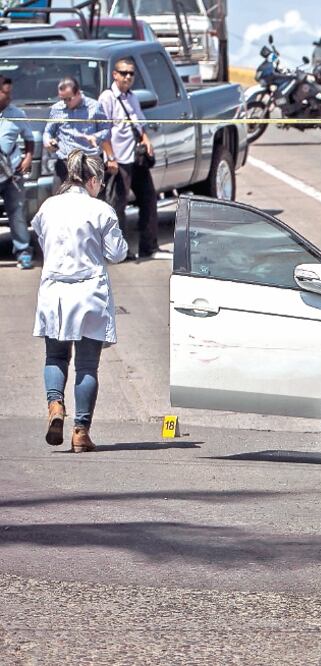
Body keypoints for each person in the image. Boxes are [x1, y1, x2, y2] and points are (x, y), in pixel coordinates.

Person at [31, 149, 128, 452]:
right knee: (87, 366)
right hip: (89, 293)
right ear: (93, 180)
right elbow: (117, 253)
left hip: (54, 291)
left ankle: (55, 405)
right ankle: (80, 432)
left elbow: (41, 239)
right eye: (100, 182)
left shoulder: (48, 207)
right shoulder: (101, 210)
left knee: (55, 357)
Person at [98, 58, 169, 260]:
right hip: (118, 159)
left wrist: (145, 140)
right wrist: (110, 157)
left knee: (149, 199)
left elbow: (139, 123)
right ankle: (117, 251)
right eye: (124, 73)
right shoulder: (107, 98)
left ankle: (149, 247)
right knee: (117, 206)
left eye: (131, 73)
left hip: (135, 157)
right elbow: (103, 131)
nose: (128, 77)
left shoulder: (132, 97)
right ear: (115, 75)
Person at [43, 77, 111, 193]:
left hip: (88, 163)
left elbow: (106, 129)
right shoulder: (57, 108)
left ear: (78, 93)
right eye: (63, 99)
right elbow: (48, 131)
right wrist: (48, 141)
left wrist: (95, 137)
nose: (66, 102)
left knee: (91, 200)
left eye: (69, 99)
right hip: (65, 162)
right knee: (60, 199)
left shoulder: (94, 107)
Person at [0, 75, 36, 270]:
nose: (10, 97)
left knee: (17, 214)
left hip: (12, 174)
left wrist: (28, 157)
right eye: (6, 93)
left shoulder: (17, 114)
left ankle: (23, 252)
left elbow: (29, 138)